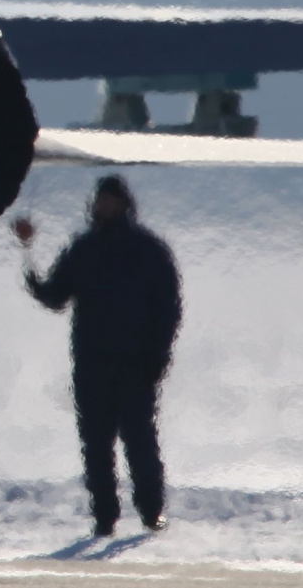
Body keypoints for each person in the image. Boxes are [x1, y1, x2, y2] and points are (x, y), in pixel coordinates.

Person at [14, 174, 184, 538]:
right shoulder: (85, 248)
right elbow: (55, 296)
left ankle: (152, 511)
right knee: (96, 444)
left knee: (139, 441)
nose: (104, 206)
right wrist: (28, 253)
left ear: (125, 204)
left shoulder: (148, 250)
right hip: (92, 364)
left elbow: (168, 307)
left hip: (137, 363)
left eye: (111, 200)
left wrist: (159, 355)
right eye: (101, 200)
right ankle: (105, 517)